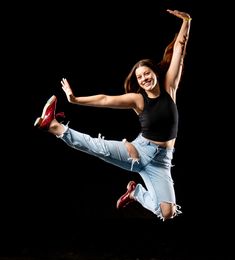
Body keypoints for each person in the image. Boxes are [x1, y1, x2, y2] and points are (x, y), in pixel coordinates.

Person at [34, 9, 192, 221]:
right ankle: (53, 126)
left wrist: (187, 21)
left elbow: (179, 49)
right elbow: (105, 99)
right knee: (94, 147)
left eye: (147, 73)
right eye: (140, 77)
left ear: (155, 73)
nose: (144, 78)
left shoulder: (169, 89)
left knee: (168, 213)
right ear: (137, 82)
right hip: (138, 150)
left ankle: (135, 193)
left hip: (162, 161)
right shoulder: (137, 100)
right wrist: (75, 99)